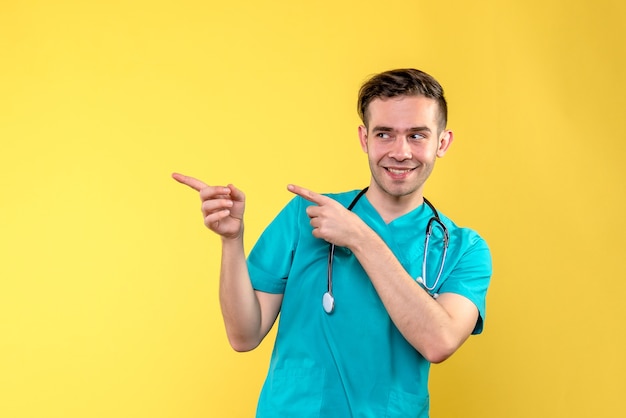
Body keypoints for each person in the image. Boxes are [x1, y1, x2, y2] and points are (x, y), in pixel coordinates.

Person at [172, 68, 492, 417]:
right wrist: (232, 241)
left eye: (417, 136)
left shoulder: (464, 249)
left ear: (442, 142)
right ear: (364, 138)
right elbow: (243, 336)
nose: (400, 152)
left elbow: (439, 341)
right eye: (384, 134)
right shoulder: (305, 215)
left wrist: (359, 238)